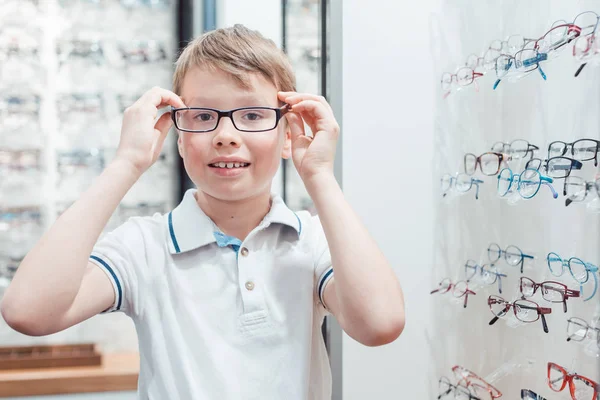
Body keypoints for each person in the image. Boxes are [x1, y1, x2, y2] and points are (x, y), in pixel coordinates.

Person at [1, 25, 405, 399]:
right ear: (178, 138)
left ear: (288, 133)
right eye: (202, 117)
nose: (226, 136)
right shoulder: (145, 246)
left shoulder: (311, 240)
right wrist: (126, 163)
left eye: (252, 115)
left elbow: (380, 324)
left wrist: (319, 176)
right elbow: (28, 312)